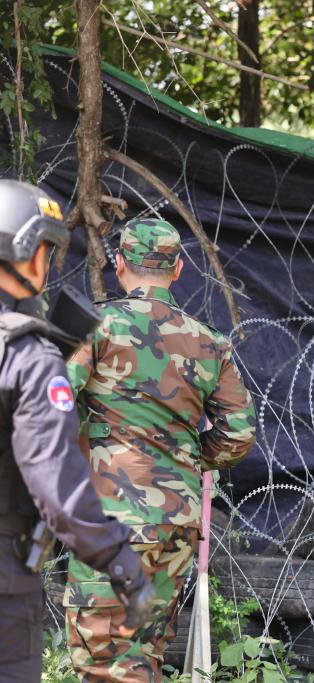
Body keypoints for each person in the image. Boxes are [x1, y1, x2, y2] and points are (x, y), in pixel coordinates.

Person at [66, 217, 257, 681]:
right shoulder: (209, 341)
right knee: (143, 653)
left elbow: (48, 402)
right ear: (177, 269)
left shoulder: (95, 324)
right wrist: (182, 460)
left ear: (118, 263)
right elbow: (238, 434)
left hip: (113, 516)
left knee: (104, 660)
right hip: (177, 521)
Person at [0, 180, 155, 682]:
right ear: (27, 253)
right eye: (45, 251)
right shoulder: (27, 358)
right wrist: (119, 560)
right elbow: (57, 486)